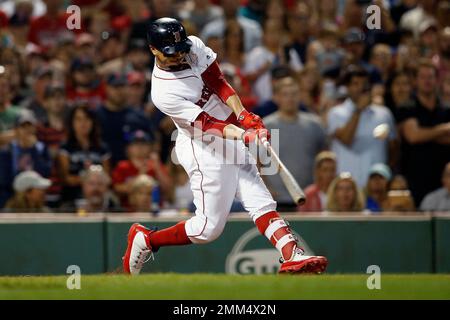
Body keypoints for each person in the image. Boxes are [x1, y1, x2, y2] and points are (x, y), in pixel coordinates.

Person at [122, 18, 327, 275]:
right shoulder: (163, 92)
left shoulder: (192, 45)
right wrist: (244, 135)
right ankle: (147, 240)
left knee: (260, 201)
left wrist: (243, 115)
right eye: (171, 53)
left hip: (230, 134)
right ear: (153, 50)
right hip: (202, 145)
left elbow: (218, 82)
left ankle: (291, 255)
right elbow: (207, 124)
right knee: (208, 229)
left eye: (182, 49)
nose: (180, 55)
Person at [327, 65, 398, 187]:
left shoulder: (384, 113)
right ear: (347, 87)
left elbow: (394, 148)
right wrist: (358, 110)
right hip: (346, 187)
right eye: (355, 84)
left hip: (376, 188)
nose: (361, 88)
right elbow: (346, 139)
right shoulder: (336, 113)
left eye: (364, 84)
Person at [263, 76, 327, 210]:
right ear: (276, 97)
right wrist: (265, 188)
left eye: (294, 94)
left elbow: (324, 158)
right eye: (285, 94)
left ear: (300, 96)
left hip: (308, 198)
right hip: (276, 199)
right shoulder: (265, 126)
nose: (290, 98)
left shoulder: (314, 124)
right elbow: (255, 162)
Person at [396, 59, 450, 205]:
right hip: (415, 178)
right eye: (423, 77)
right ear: (415, 80)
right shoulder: (407, 107)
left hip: (444, 181)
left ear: (437, 80)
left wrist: (424, 134)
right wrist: (443, 129)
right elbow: (413, 136)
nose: (427, 81)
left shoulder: (446, 109)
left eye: (431, 77)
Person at [58, 104, 111, 205]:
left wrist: (92, 182)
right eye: (78, 119)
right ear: (72, 123)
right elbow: (65, 178)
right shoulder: (65, 148)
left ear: (93, 122)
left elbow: (107, 177)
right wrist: (89, 180)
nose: (83, 123)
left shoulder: (102, 148)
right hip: (72, 197)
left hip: (98, 195)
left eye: (87, 119)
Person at [111, 130, 172, 209]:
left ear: (150, 147)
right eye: (135, 143)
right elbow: (117, 190)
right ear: (128, 148)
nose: (140, 147)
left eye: (144, 144)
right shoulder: (122, 166)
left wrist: (157, 167)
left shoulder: (156, 165)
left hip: (155, 211)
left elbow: (168, 189)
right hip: (129, 212)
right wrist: (140, 175)